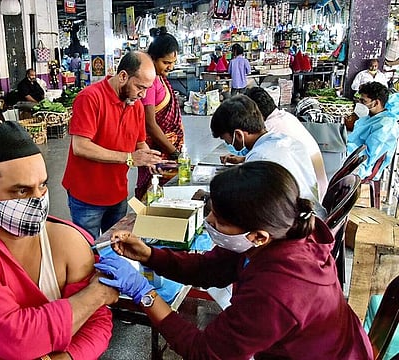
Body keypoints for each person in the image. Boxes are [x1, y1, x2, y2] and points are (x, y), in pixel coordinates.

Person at [95, 161, 374, 360]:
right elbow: (210, 269)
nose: (208, 222)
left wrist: (145, 294)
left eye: (219, 221)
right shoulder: (284, 230)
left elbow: (204, 351)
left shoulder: (279, 291)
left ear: (258, 236)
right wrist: (149, 255)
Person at [0, 121, 118, 359]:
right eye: (21, 191)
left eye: (42, 186)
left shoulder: (68, 241)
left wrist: (69, 357)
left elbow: (97, 320)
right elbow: (18, 340)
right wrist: (97, 293)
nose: (38, 200)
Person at [62, 51, 164, 239]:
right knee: (89, 252)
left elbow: (139, 141)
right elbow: (81, 146)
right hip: (87, 197)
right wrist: (129, 158)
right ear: (123, 76)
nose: (143, 95)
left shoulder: (136, 106)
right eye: (140, 87)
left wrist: (150, 158)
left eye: (147, 89)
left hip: (117, 194)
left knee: (116, 248)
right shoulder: (90, 98)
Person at [211, 94, 326, 219]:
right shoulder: (284, 140)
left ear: (238, 135)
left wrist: (210, 200)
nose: (227, 144)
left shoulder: (260, 157)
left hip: (297, 225)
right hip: (314, 215)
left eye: (225, 139)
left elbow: (249, 204)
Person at [245, 86, 328, 201]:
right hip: (315, 187)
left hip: (309, 196)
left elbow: (260, 165)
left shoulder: (270, 128)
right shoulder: (286, 117)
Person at [135, 27, 184, 199]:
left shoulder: (161, 79)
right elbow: (149, 124)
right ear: (153, 58)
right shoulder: (151, 82)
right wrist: (174, 152)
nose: (170, 67)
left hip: (165, 146)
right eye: (166, 62)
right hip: (157, 149)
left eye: (173, 62)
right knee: (153, 193)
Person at [347, 81, 399, 180]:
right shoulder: (370, 117)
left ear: (376, 102)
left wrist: (346, 149)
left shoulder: (385, 125)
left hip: (362, 167)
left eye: (363, 101)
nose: (360, 104)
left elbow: (368, 157)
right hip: (352, 156)